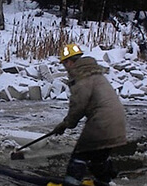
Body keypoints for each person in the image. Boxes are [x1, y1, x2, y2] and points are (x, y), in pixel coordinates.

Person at [52, 44, 127, 186]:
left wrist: (65, 124)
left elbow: (78, 106)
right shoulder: (94, 73)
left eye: (64, 63)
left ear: (69, 62)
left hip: (101, 123)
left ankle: (71, 183)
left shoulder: (81, 77)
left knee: (79, 156)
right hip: (117, 121)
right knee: (98, 159)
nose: (64, 67)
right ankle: (105, 182)